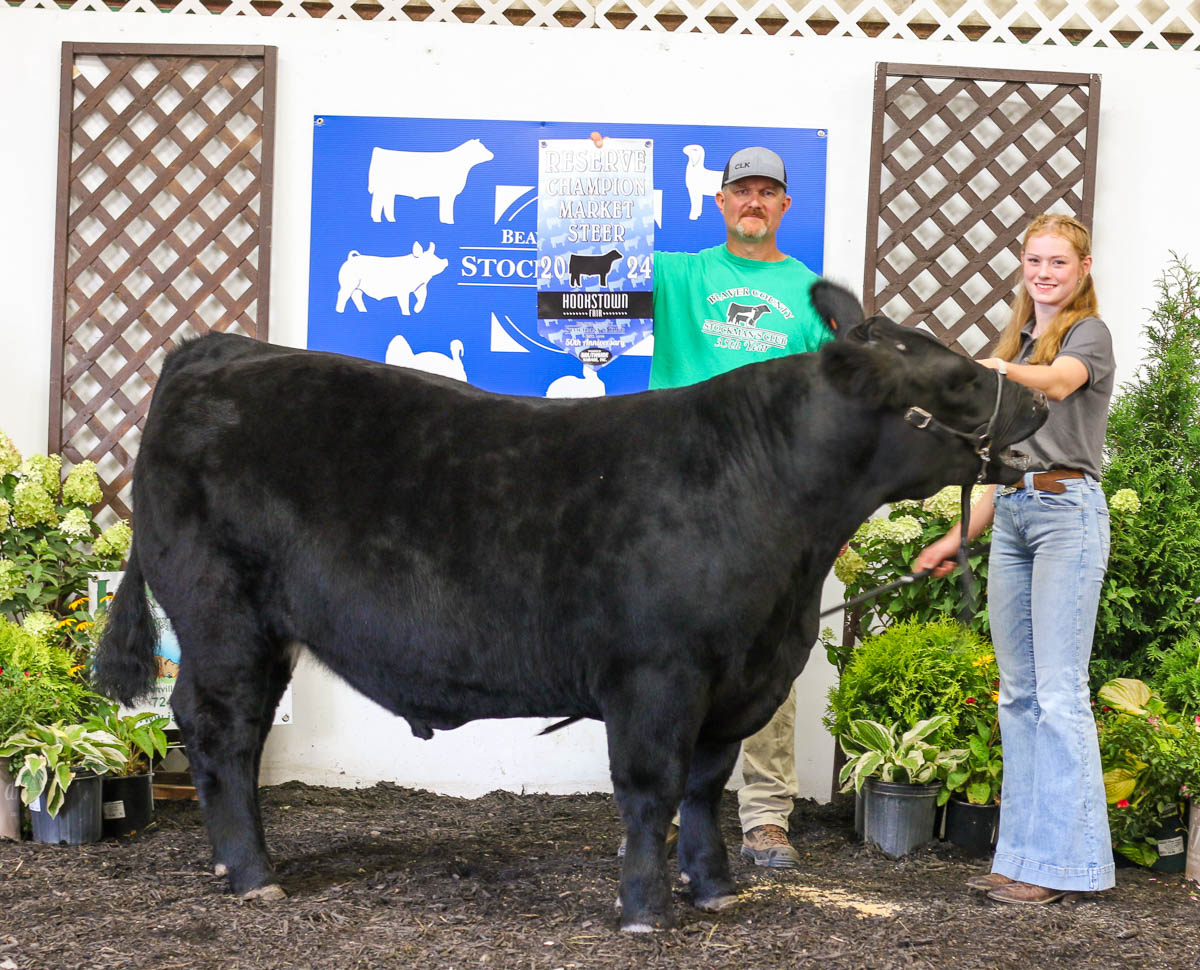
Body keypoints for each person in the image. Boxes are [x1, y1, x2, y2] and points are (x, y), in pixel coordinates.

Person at [915, 213, 1116, 904]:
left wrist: (998, 370)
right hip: (1014, 515)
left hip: (1067, 515)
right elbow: (1003, 470)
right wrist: (954, 539)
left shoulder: (1087, 334)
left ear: (1082, 269)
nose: (1044, 273)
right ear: (1022, 266)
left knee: (1059, 694)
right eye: (1035, 261)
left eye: (1058, 262)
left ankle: (1066, 867)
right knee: (1019, 695)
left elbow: (1058, 383)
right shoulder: (1019, 340)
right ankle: (1024, 857)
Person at [649, 146, 835, 868]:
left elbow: (833, 402)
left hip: (772, 504)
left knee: (767, 659)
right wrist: (594, 179)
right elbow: (576, 277)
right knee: (664, 655)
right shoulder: (679, 274)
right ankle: (661, 808)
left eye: (767, 192)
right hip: (678, 495)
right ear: (720, 200)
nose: (753, 201)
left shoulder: (811, 293)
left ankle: (765, 816)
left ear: (785, 205)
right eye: (741, 190)